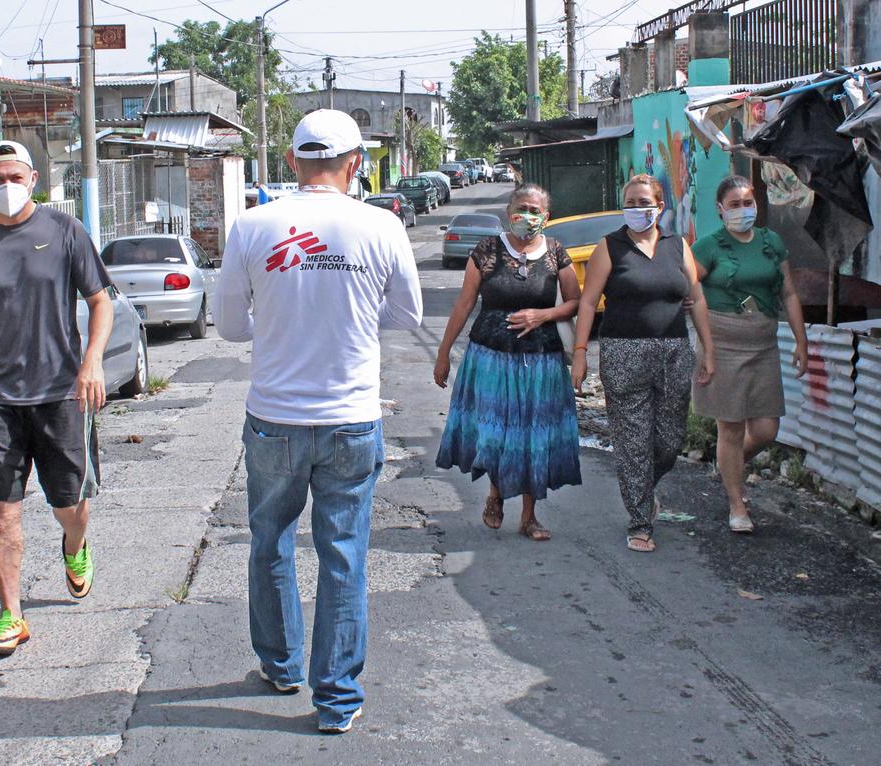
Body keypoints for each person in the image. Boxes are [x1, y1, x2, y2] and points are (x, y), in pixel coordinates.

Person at [213, 109, 423, 734]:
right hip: (351, 417)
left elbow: (228, 325)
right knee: (344, 552)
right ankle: (336, 698)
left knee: (271, 541)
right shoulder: (381, 225)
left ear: (292, 160)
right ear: (356, 162)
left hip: (275, 416)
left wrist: (276, 325)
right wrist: (351, 321)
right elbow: (407, 313)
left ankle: (280, 665)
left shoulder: (253, 225)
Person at [0, 140, 113, 654]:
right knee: (2, 511)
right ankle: (10, 615)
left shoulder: (65, 231)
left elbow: (101, 302)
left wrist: (92, 362)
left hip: (61, 393)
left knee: (71, 505)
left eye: (15, 177)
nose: (6, 187)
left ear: (33, 179)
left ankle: (75, 546)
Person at [571, 174, 715, 553]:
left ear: (660, 205)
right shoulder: (610, 247)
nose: (637, 208)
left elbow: (696, 298)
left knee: (669, 440)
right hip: (623, 352)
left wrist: (708, 350)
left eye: (643, 202)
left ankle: (643, 490)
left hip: (672, 351)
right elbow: (588, 303)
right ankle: (639, 522)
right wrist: (581, 353)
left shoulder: (676, 246)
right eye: (630, 202)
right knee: (633, 443)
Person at [434, 184, 582, 541]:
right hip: (490, 360)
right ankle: (496, 495)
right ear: (508, 211)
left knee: (535, 436)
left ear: (546, 217)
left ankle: (530, 517)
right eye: (521, 208)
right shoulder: (486, 251)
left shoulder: (556, 253)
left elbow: (576, 302)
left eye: (534, 209)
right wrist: (443, 354)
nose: (527, 215)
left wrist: (541, 315)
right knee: (497, 432)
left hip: (540, 362)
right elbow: (465, 304)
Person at [691, 175, 808, 533]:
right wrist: (705, 345)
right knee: (730, 427)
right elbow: (690, 291)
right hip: (722, 345)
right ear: (720, 209)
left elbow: (787, 294)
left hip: (763, 345)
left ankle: (729, 466)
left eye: (748, 202)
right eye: (735, 204)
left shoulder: (772, 242)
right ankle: (736, 502)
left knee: (766, 428)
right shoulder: (710, 246)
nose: (744, 210)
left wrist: (802, 341)